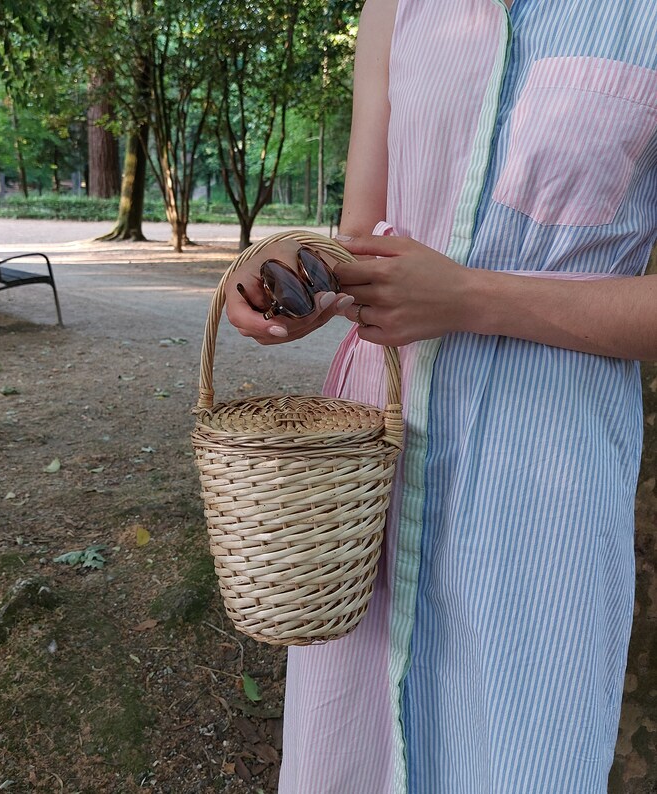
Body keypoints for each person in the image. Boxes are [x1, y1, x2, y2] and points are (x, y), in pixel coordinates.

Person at [224, 0, 657, 792]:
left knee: (522, 754)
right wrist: (294, 271)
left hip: (544, 479)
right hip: (367, 475)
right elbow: (358, 239)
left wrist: (471, 298)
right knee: (348, 753)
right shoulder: (397, 5)